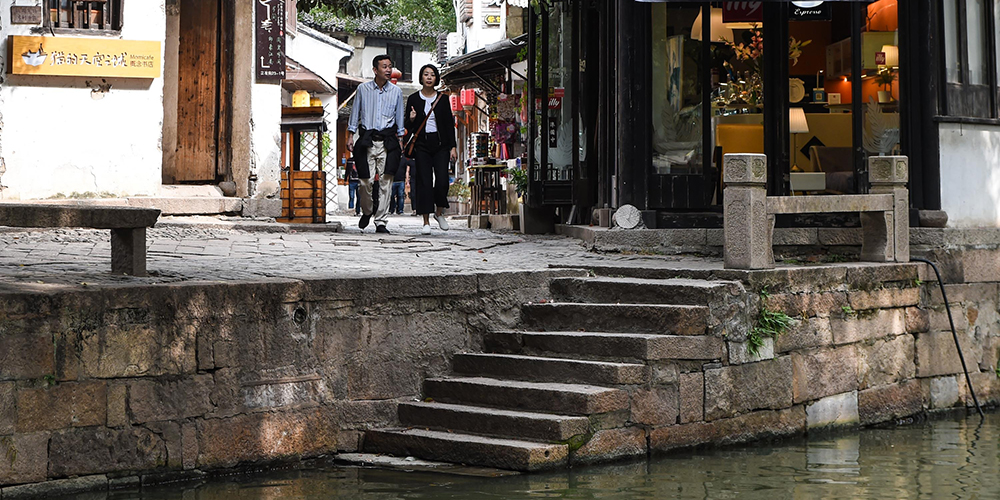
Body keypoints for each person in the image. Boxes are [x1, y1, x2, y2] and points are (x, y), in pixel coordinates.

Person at [347, 54, 405, 234]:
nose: (388, 70)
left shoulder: (397, 92)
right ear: (375, 70)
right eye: (384, 67)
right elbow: (354, 113)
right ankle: (367, 210)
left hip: (388, 141)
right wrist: (350, 136)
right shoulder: (363, 89)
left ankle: (381, 221)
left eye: (390, 66)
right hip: (367, 141)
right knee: (365, 181)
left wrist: (400, 140)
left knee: (387, 181)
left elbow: (400, 119)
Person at [404, 64, 457, 235]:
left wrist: (453, 147)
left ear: (436, 78)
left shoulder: (443, 99)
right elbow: (406, 125)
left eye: (432, 75)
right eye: (425, 74)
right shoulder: (413, 98)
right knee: (424, 182)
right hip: (422, 145)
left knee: (442, 179)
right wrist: (411, 119)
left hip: (440, 144)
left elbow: (449, 125)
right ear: (421, 77)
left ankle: (439, 212)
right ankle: (425, 220)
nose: (428, 77)